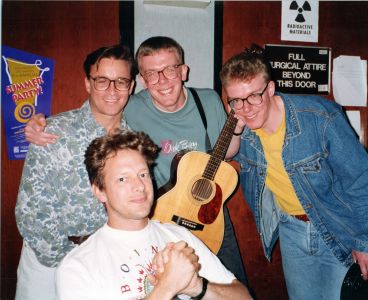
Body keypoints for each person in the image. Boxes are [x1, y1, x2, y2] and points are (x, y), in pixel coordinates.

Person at [24, 36, 249, 288]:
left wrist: (237, 129)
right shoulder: (125, 109)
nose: (162, 80)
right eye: (152, 73)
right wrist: (40, 125)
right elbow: (99, 105)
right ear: (140, 81)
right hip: (154, 224)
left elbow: (226, 153)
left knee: (227, 285)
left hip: (199, 216)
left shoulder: (202, 103)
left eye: (170, 69)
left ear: (183, 71)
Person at [221, 44, 368, 299]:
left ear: (270, 89)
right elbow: (224, 154)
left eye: (253, 96)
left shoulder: (319, 117)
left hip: (337, 225)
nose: (246, 108)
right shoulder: (245, 127)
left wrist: (366, 241)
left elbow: (362, 180)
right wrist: (235, 126)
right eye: (236, 100)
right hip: (291, 229)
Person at [56, 130, 252, 300]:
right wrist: (167, 286)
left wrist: (196, 287)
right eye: (123, 179)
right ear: (99, 191)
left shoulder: (180, 236)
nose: (139, 186)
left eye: (143, 174)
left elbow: (244, 296)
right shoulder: (78, 266)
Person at [15, 45, 135, 300]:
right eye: (102, 80)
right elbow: (30, 212)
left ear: (131, 87)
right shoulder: (53, 132)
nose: (112, 90)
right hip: (46, 261)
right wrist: (68, 259)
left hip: (104, 261)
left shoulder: (133, 142)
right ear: (88, 84)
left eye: (121, 81)